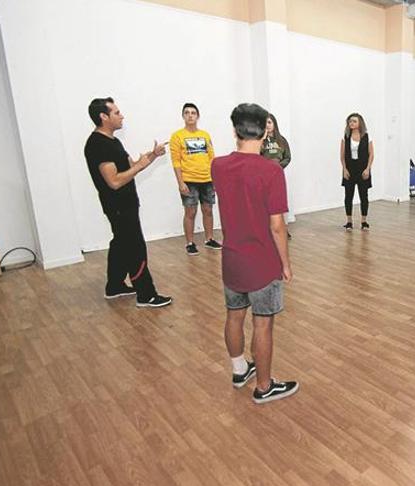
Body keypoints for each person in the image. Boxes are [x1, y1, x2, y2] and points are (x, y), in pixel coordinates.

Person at [211, 103, 298, 404]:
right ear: (265, 131)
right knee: (263, 323)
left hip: (232, 260)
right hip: (262, 262)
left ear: (235, 131)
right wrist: (285, 263)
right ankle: (263, 386)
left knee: (234, 317)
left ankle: (239, 370)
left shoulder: (217, 166)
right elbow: (277, 226)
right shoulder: (271, 171)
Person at [84, 97, 172, 308]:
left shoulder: (112, 142)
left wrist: (151, 156)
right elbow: (114, 181)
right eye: (116, 112)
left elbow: (129, 166)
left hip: (125, 204)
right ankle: (146, 294)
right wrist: (140, 166)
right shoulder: (98, 144)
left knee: (120, 244)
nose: (121, 115)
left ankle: (114, 286)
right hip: (118, 206)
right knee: (135, 247)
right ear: (103, 117)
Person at [170, 103, 221, 256]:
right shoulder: (177, 136)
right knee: (190, 212)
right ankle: (190, 243)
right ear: (183, 116)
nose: (190, 115)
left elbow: (212, 158)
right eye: (187, 113)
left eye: (193, 113)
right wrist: (180, 182)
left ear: (198, 116)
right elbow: (176, 162)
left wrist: (216, 178)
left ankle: (209, 239)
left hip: (207, 179)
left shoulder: (205, 135)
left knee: (208, 210)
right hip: (189, 180)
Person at [260, 113, 292, 239]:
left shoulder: (282, 140)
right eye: (265, 123)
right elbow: (257, 157)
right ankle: (266, 230)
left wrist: (279, 166)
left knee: (279, 204)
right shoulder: (260, 141)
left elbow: (287, 157)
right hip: (264, 176)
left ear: (274, 124)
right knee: (265, 204)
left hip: (277, 176)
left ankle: (283, 229)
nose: (267, 125)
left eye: (269, 122)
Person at [340, 113, 373, 231]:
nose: (351, 123)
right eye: (350, 121)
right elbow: (342, 155)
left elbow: (371, 154)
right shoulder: (346, 137)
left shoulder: (367, 136)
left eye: (354, 121)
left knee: (364, 196)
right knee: (348, 196)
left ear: (360, 123)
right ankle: (349, 222)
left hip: (363, 168)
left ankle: (364, 221)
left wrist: (368, 168)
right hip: (349, 169)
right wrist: (344, 169)